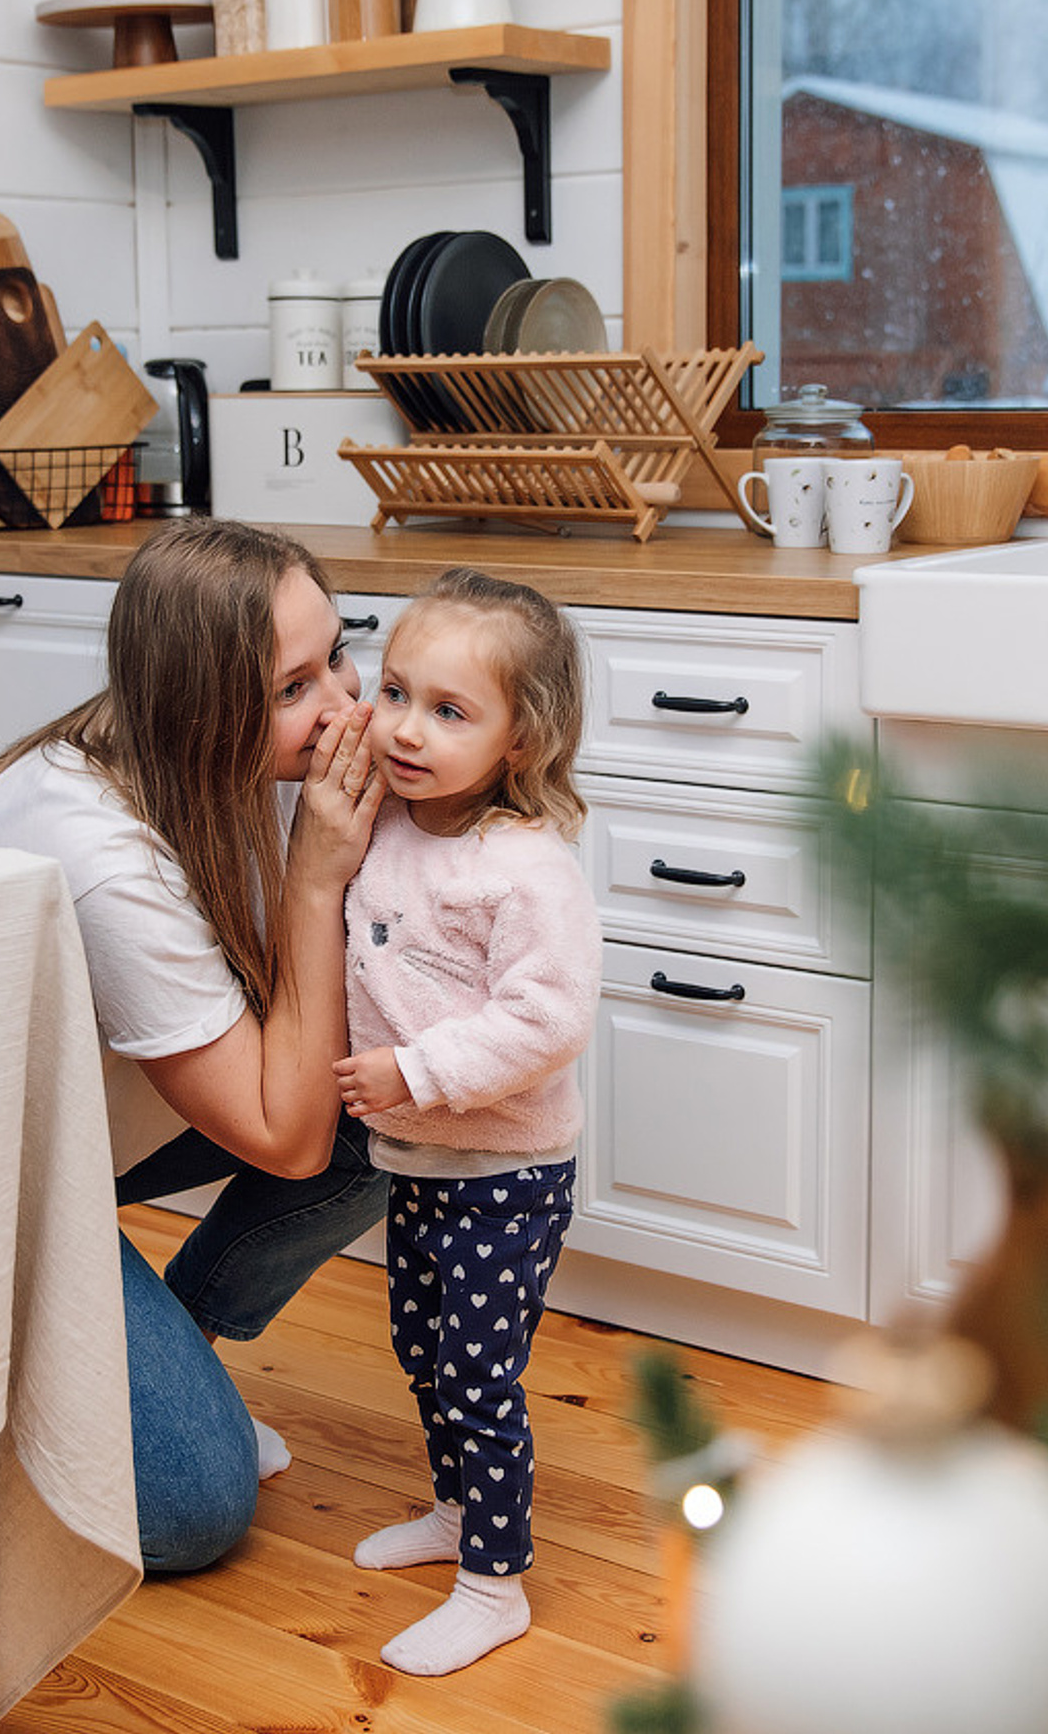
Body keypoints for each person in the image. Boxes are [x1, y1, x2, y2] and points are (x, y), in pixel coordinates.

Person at [0, 519, 390, 1574]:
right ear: (201, 709)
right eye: (293, 688)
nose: (345, 708)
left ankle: (172, 1341)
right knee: (194, 1509)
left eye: (340, 655)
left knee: (401, 1102)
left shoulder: (221, 754)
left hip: (85, 1128)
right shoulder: (102, 855)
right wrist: (319, 875)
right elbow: (283, 1139)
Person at [332, 567, 602, 1676]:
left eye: (450, 712)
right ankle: (453, 1510)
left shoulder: (527, 869)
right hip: (423, 1161)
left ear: (521, 743)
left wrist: (417, 1070)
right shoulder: (392, 823)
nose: (404, 728)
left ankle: (494, 1583)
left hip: (505, 1170)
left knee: (481, 1375)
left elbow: (548, 1020)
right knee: (422, 1349)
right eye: (395, 692)